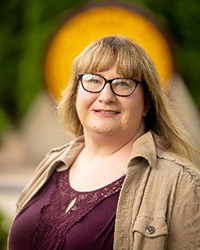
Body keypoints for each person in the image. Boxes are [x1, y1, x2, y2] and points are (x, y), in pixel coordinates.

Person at [9, 35, 200, 250]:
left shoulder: (182, 183)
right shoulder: (52, 163)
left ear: (147, 102)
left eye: (123, 84)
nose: (106, 96)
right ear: (75, 92)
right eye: (93, 80)